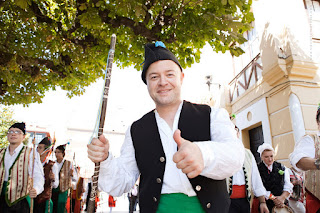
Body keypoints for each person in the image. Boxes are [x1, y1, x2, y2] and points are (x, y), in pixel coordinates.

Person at [87, 41, 245, 212]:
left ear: (181, 78)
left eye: (170, 74)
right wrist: (104, 159)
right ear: (147, 83)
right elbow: (120, 183)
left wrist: (203, 154)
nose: (163, 82)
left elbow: (235, 156)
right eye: (154, 77)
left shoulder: (212, 115)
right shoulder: (136, 130)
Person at [0, 122, 44, 212]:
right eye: (10, 131)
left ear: (23, 137)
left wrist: (36, 189)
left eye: (17, 132)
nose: (13, 134)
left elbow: (38, 175)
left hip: (20, 200)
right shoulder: (1, 152)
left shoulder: (30, 153)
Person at [227, 126, 269, 213]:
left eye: (235, 131)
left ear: (238, 134)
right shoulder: (221, 151)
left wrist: (262, 202)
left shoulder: (247, 154)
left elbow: (255, 177)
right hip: (226, 202)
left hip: (244, 201)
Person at [289, 105, 320, 213]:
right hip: (317, 202)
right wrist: (317, 164)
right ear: (318, 121)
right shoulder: (311, 139)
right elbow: (297, 160)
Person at [257, 143, 293, 212]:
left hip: (282, 203)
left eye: (271, 156)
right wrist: (273, 198)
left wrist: (282, 198)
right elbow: (259, 188)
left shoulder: (281, 167)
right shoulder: (257, 169)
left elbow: (288, 184)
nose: (270, 159)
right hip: (266, 204)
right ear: (261, 157)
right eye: (266, 157)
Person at [34, 137, 59, 213]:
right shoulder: (32, 163)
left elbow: (56, 185)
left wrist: (53, 178)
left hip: (44, 199)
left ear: (47, 151)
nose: (38, 150)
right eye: (37, 147)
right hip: (32, 197)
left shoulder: (52, 165)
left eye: (40, 148)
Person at [52, 144, 77, 213]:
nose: (56, 154)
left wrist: (72, 175)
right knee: (53, 206)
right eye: (55, 152)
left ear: (63, 153)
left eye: (58, 152)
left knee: (61, 205)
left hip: (64, 189)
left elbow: (75, 178)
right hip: (54, 189)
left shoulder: (69, 164)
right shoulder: (53, 163)